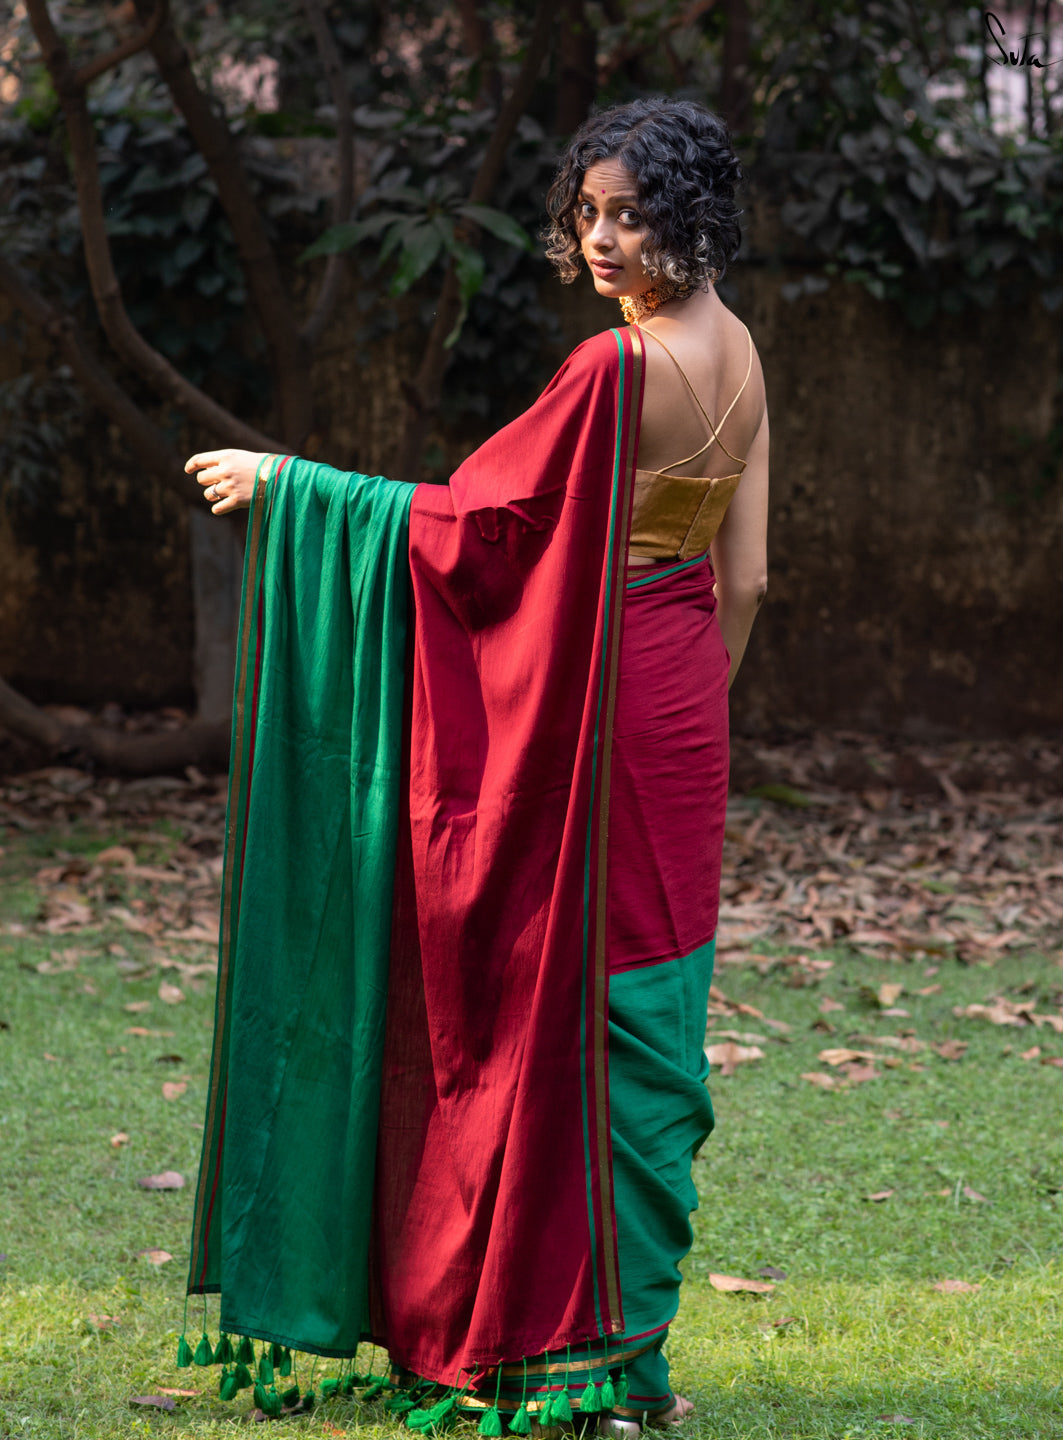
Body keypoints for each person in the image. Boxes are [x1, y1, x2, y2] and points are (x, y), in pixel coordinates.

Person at [183, 98, 768, 1438]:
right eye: (589, 214)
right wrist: (685, 706)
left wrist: (296, 489)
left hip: (603, 704)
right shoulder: (739, 355)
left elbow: (484, 530)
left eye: (630, 214)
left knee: (574, 1017)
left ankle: (574, 1366)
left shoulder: (613, 373)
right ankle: (631, 1363)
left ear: (692, 217)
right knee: (648, 1024)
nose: (602, 238)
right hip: (682, 710)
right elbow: (749, 578)